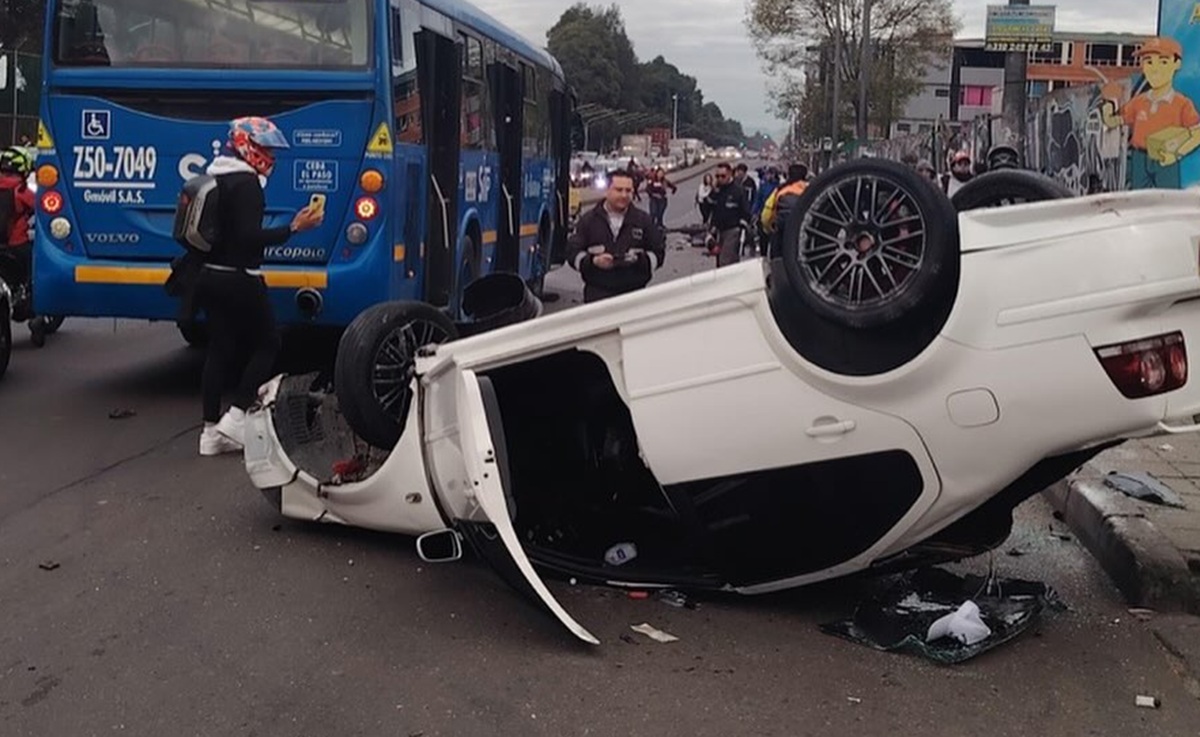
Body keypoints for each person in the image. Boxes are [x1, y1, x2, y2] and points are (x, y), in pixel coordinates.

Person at [194, 116, 323, 456]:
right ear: (246, 145)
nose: (271, 156)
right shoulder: (247, 183)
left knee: (219, 348)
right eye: (265, 148)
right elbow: (248, 237)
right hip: (241, 277)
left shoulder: (213, 174)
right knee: (268, 342)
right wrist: (294, 227)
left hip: (208, 274)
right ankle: (236, 416)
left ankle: (210, 432)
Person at [1100, 36, 1200, 190]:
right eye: (1149, 61)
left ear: (1176, 64)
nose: (1155, 69)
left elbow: (1197, 133)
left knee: (1168, 203)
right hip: (1139, 158)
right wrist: (1108, 104)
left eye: (1163, 62)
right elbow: (1113, 121)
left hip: (1165, 160)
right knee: (1139, 204)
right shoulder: (1139, 102)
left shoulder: (1182, 104)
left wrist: (1177, 154)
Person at [567, 169, 665, 304]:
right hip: (597, 296)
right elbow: (572, 252)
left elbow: (658, 253)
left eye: (628, 190)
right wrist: (593, 261)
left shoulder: (643, 221)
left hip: (634, 296)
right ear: (607, 191)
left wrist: (639, 260)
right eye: (619, 190)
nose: (624, 195)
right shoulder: (588, 221)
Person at [0, 146, 36, 314]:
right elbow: (40, 207)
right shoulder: (21, 190)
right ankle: (28, 296)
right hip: (15, 244)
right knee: (35, 263)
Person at [703, 162, 751, 267]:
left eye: (723, 176)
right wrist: (713, 191)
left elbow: (746, 211)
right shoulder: (717, 190)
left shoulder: (738, 190)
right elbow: (706, 207)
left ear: (729, 174)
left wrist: (743, 227)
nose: (720, 179)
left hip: (732, 230)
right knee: (720, 261)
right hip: (718, 230)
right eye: (717, 176)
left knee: (725, 261)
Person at [759, 163, 809, 259]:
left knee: (778, 263)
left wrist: (767, 229)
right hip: (803, 236)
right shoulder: (811, 190)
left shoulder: (781, 190)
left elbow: (767, 214)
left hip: (781, 235)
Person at [643, 167, 677, 231]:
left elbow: (673, 187)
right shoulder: (652, 180)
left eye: (662, 173)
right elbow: (647, 189)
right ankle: (651, 227)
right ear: (657, 173)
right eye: (659, 173)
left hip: (662, 200)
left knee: (660, 213)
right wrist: (653, 195)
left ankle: (660, 225)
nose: (660, 175)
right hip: (654, 200)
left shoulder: (664, 181)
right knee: (653, 213)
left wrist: (672, 191)